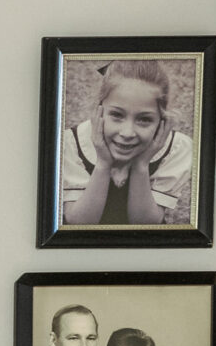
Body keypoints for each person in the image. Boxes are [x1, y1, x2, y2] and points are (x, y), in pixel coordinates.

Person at [60, 58, 194, 228]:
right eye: (117, 115)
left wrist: (141, 165)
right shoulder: (72, 143)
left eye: (144, 119)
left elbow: (145, 225)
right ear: (98, 110)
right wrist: (103, 164)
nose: (127, 133)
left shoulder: (176, 148)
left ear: (163, 120)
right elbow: (79, 222)